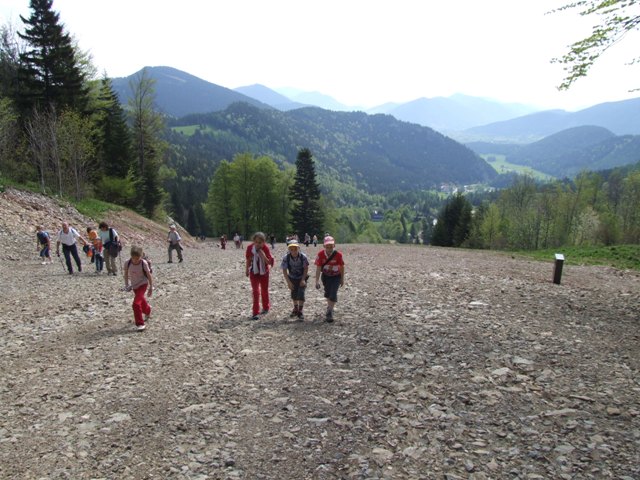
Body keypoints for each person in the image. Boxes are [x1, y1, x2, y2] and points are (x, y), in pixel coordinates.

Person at [314, 236, 345, 323]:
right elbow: (318, 268)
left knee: (333, 293)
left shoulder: (338, 255)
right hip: (326, 276)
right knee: (327, 293)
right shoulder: (320, 254)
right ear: (324, 246)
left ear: (334, 245)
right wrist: (316, 281)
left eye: (331, 246)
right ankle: (330, 306)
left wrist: (342, 278)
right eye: (327, 246)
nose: (329, 248)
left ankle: (329, 312)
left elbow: (342, 267)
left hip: (336, 276)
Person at [245, 231, 274, 320]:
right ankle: (255, 312)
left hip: (264, 272)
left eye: (260, 242)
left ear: (264, 242)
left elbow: (269, 262)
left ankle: (265, 307)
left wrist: (263, 255)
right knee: (255, 291)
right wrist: (246, 269)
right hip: (253, 272)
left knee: (264, 290)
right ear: (253, 241)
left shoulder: (265, 248)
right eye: (256, 242)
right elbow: (248, 259)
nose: (257, 244)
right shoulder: (250, 248)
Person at [123, 245, 153, 332]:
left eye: (137, 258)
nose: (135, 260)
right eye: (133, 258)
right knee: (141, 301)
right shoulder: (127, 263)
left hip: (143, 284)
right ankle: (148, 310)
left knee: (136, 304)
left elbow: (149, 275)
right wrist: (126, 285)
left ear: (141, 256)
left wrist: (151, 287)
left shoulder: (143, 263)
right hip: (134, 286)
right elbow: (125, 274)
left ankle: (140, 324)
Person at [281, 240, 309, 321]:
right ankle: (295, 308)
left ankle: (300, 310)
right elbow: (284, 270)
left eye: (295, 249)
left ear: (298, 248)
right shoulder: (286, 258)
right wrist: (288, 282)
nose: (294, 251)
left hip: (302, 277)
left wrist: (303, 280)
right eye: (291, 249)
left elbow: (306, 268)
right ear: (289, 249)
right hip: (292, 277)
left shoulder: (303, 257)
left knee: (301, 293)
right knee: (294, 293)